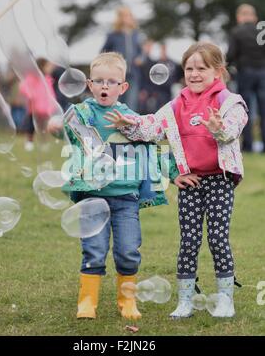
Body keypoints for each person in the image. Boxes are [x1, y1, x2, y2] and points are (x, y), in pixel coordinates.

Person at [105, 42, 248, 318]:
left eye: (201, 68)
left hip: (220, 180)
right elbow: (152, 127)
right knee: (188, 241)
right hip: (191, 183)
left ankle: (225, 299)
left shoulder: (230, 102)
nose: (194, 74)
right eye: (189, 68)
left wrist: (219, 129)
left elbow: (232, 129)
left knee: (218, 239)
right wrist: (130, 124)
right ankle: (185, 300)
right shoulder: (176, 105)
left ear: (218, 71)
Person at [47, 52, 188, 320]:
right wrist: (55, 126)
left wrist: (175, 171)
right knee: (94, 249)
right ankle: (87, 301)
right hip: (92, 196)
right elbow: (62, 130)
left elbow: (153, 148)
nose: (104, 86)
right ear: (89, 85)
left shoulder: (131, 119)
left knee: (128, 249)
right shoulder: (81, 114)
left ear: (123, 87)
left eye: (112, 82)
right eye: (99, 81)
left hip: (126, 198)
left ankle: (127, 301)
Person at [227, 4, 265, 152]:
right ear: (254, 18)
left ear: (239, 17)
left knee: (245, 110)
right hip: (263, 73)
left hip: (245, 73)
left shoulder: (236, 32)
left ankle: (248, 145)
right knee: (264, 110)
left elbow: (230, 55)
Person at [101, 6, 143, 111]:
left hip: (133, 74)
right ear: (120, 18)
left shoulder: (136, 35)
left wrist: (140, 58)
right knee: (116, 102)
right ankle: (114, 124)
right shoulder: (113, 35)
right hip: (116, 75)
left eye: (129, 15)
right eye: (125, 16)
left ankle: (129, 125)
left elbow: (142, 53)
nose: (128, 18)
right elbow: (103, 52)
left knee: (131, 103)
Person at [20, 58, 56, 151]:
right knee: (31, 126)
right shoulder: (32, 77)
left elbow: (51, 93)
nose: (50, 68)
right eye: (48, 66)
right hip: (34, 108)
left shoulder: (48, 78)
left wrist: (52, 104)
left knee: (44, 127)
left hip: (45, 109)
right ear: (42, 66)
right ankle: (29, 142)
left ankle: (44, 143)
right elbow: (24, 87)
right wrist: (31, 95)